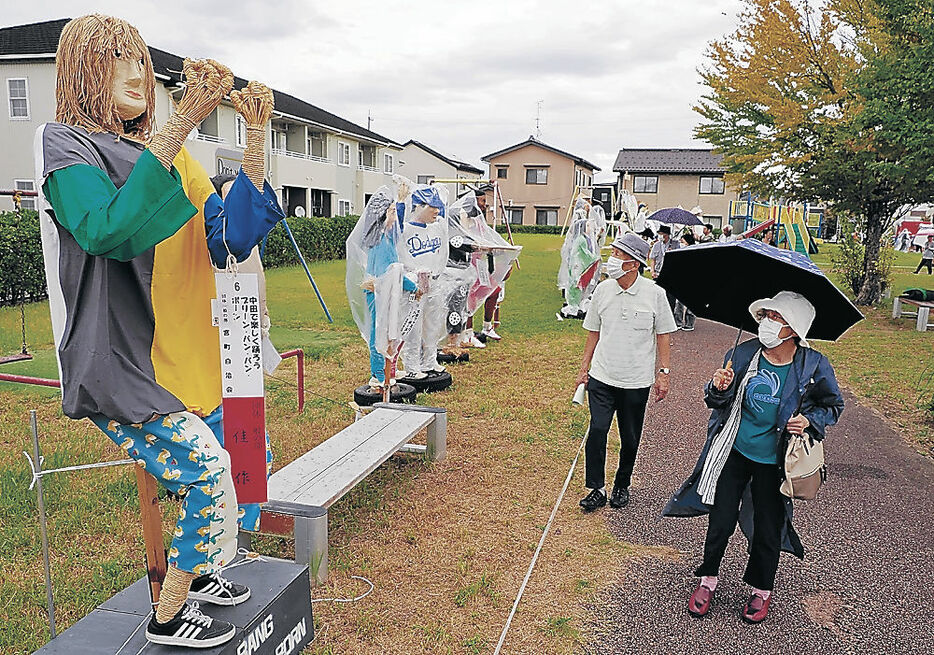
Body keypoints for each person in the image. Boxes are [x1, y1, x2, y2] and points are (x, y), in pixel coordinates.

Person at [36, 15, 284, 648]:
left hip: (193, 354)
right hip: (122, 361)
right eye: (115, 56)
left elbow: (229, 239)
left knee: (225, 474)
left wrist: (255, 141)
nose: (136, 72)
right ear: (81, 69)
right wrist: (178, 128)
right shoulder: (67, 145)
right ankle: (169, 614)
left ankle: (202, 574)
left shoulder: (181, 161)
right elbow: (105, 230)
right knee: (205, 474)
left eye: (139, 58)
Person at [663, 291, 844, 624]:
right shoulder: (743, 353)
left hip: (774, 462)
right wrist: (718, 387)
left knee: (767, 528)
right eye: (765, 316)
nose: (766, 324)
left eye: (776, 318)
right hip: (734, 451)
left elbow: (833, 406)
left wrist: (809, 421)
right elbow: (718, 402)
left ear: (794, 328)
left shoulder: (813, 365)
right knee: (720, 520)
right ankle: (707, 580)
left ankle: (761, 590)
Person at [576, 234, 677, 512]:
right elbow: (593, 332)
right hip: (603, 375)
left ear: (633, 264)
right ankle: (596, 488)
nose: (612, 261)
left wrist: (664, 372)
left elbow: (663, 335)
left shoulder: (655, 294)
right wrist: (584, 367)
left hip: (636, 380)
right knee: (597, 430)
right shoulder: (603, 290)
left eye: (618, 256)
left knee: (630, 437)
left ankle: (622, 483)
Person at [648, 225, 681, 327]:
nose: (660, 236)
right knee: (658, 296)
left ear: (666, 235)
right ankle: (657, 318)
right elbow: (652, 258)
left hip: (671, 274)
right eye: (659, 234)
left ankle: (669, 319)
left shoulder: (675, 244)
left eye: (661, 234)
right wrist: (652, 270)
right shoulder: (657, 245)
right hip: (658, 273)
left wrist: (672, 253)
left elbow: (679, 258)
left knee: (671, 298)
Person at [674, 233, 696, 331]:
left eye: (682, 241)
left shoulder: (696, 250)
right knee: (679, 302)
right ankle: (678, 322)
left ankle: (689, 323)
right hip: (682, 279)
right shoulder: (681, 250)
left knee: (691, 301)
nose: (681, 243)